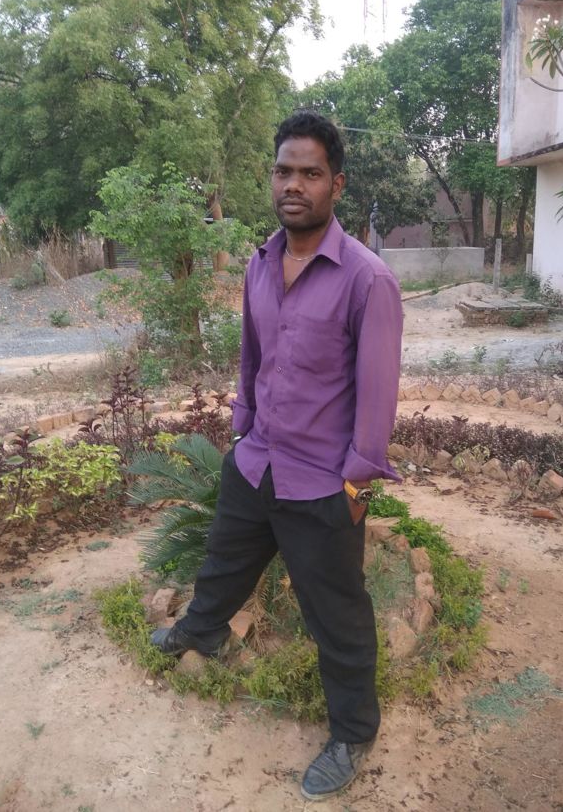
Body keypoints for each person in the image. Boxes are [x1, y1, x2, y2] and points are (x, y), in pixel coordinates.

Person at [151, 110, 403, 802]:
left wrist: (356, 487)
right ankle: (202, 631)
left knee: (338, 615)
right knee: (223, 563)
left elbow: (377, 398)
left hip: (321, 485)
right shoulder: (260, 263)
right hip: (256, 461)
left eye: (310, 173)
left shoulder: (367, 279)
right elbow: (252, 357)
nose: (294, 185)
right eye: (283, 171)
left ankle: (353, 732)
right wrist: (241, 433)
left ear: (336, 185)